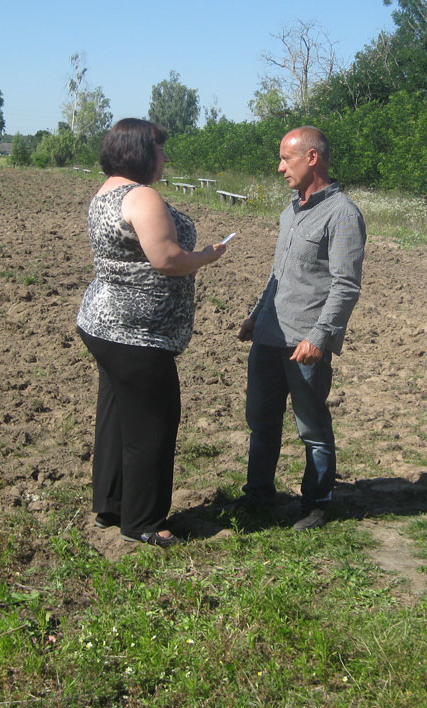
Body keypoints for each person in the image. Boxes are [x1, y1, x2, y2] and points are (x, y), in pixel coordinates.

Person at [75, 118, 227, 548]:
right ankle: (143, 521)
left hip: (103, 322)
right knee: (153, 422)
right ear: (141, 151)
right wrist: (206, 256)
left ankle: (111, 504)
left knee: (117, 416)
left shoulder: (107, 191)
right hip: (136, 334)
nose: (165, 157)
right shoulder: (142, 196)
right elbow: (167, 259)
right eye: (160, 149)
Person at [235, 126, 366, 531]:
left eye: (286, 158)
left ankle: (317, 503)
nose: (280, 168)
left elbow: (345, 285)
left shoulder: (343, 213)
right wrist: (257, 315)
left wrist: (319, 337)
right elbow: (278, 274)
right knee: (261, 421)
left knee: (312, 427)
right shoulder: (290, 211)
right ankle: (258, 495)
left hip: (304, 343)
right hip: (269, 336)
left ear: (312, 158)